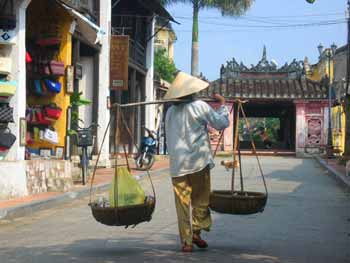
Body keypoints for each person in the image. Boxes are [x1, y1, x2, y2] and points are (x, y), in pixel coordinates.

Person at [164, 72, 229, 252]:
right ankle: (196, 232)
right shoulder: (200, 106)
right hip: (198, 162)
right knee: (201, 199)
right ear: (192, 92)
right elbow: (221, 123)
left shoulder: (170, 111)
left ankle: (186, 241)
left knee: (182, 203)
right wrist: (222, 105)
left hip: (177, 164)